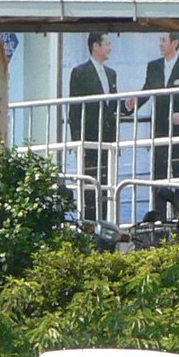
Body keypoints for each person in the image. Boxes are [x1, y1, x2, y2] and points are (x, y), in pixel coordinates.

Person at [141, 32, 179, 220]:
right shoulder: (153, 67)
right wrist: (129, 105)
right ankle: (159, 217)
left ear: (175, 43)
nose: (160, 44)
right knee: (159, 175)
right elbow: (146, 90)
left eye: (163, 40)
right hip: (160, 130)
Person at [66, 32, 122, 224]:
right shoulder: (80, 72)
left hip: (107, 139)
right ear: (95, 46)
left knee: (107, 184)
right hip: (89, 137)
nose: (110, 48)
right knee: (90, 185)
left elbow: (112, 106)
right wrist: (76, 140)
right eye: (107, 43)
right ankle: (89, 226)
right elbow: (74, 108)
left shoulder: (111, 73)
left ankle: (105, 225)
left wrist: (129, 106)